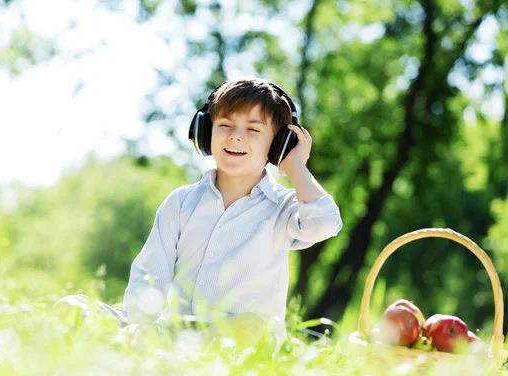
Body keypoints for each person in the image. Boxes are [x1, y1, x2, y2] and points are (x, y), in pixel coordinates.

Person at [54, 76, 342, 352]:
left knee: (254, 327)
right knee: (72, 306)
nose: (236, 137)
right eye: (225, 125)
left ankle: (166, 352)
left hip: (236, 336)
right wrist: (138, 323)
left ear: (277, 144)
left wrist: (294, 167)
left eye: (253, 130)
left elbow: (326, 224)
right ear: (205, 132)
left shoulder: (285, 208)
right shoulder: (181, 203)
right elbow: (150, 273)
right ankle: (155, 347)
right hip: (172, 329)